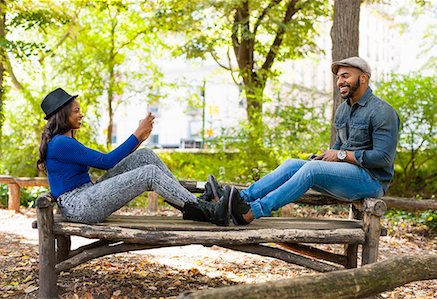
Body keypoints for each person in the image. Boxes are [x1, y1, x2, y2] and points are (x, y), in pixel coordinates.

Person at [226, 57, 400, 225]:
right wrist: (325, 157)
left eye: (345, 76)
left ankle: (251, 212)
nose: (340, 82)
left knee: (312, 169)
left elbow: (383, 158)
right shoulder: (343, 110)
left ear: (363, 78)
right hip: (347, 175)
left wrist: (340, 155)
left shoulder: (382, 111)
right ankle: (239, 199)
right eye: (338, 77)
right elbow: (339, 147)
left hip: (372, 181)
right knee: (292, 164)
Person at [37, 87, 230, 226]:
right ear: (63, 116)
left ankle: (193, 206)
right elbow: (106, 162)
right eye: (76, 111)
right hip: (79, 205)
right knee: (149, 174)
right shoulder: (61, 143)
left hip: (86, 196)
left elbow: (109, 161)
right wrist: (137, 133)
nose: (81, 114)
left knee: (144, 156)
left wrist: (139, 140)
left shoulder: (63, 141)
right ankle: (205, 210)